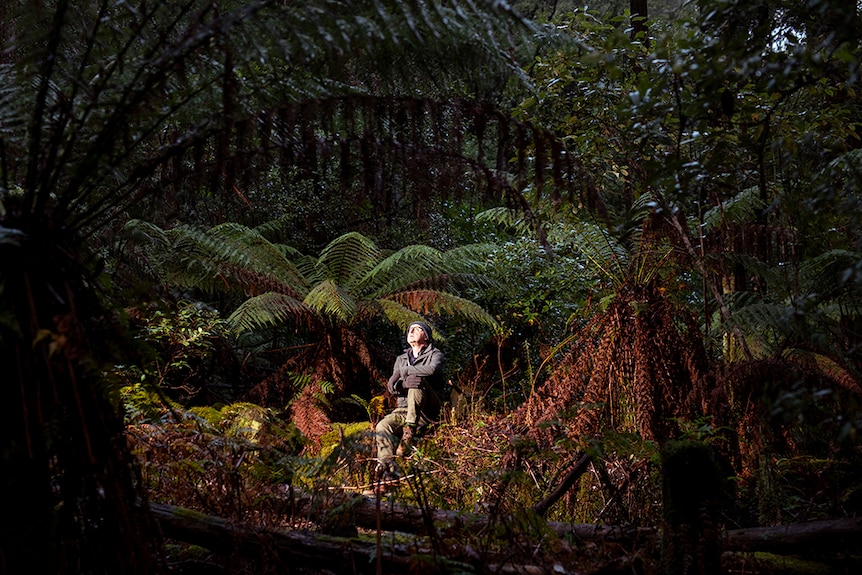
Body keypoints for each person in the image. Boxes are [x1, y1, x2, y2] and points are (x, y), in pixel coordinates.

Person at [375, 321, 443, 479]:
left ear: (425, 336)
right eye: (409, 330)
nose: (411, 332)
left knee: (416, 378)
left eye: (416, 329)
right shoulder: (401, 359)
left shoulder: (435, 354)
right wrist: (403, 383)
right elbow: (394, 388)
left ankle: (410, 430)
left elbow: (433, 369)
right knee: (382, 426)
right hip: (404, 410)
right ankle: (386, 470)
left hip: (427, 409)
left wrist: (404, 371)